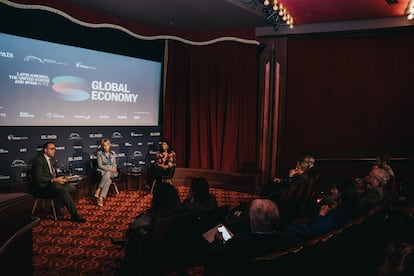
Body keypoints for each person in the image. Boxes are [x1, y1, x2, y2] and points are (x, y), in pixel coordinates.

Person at [203, 198, 295, 275]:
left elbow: (212, 256)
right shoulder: (288, 238)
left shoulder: (238, 242)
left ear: (253, 222)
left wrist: (217, 242)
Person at [31, 141, 86, 222]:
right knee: (62, 189)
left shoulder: (52, 160)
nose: (54, 151)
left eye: (55, 149)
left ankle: (58, 207)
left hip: (54, 185)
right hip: (42, 187)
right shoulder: (39, 160)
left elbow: (57, 173)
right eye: (52, 149)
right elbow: (38, 178)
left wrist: (64, 177)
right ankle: (74, 215)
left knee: (72, 188)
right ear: (45, 150)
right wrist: (54, 180)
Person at [94, 138, 118, 207]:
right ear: (102, 146)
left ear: (109, 145)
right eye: (104, 145)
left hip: (112, 172)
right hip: (103, 171)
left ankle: (98, 189)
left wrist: (113, 168)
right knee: (109, 180)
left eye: (107, 145)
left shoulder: (113, 153)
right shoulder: (99, 153)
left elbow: (114, 164)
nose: (106, 147)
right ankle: (101, 198)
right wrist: (109, 168)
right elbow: (100, 165)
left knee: (108, 174)